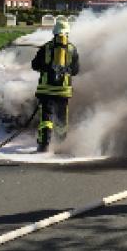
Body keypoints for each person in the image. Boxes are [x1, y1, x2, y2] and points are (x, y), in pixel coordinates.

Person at [31, 18, 80, 153]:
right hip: (63, 90)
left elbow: (34, 65)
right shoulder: (72, 49)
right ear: (67, 33)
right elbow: (75, 71)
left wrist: (45, 66)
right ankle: (60, 144)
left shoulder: (46, 47)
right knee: (61, 118)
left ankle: (43, 145)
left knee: (45, 118)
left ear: (54, 33)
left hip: (46, 89)